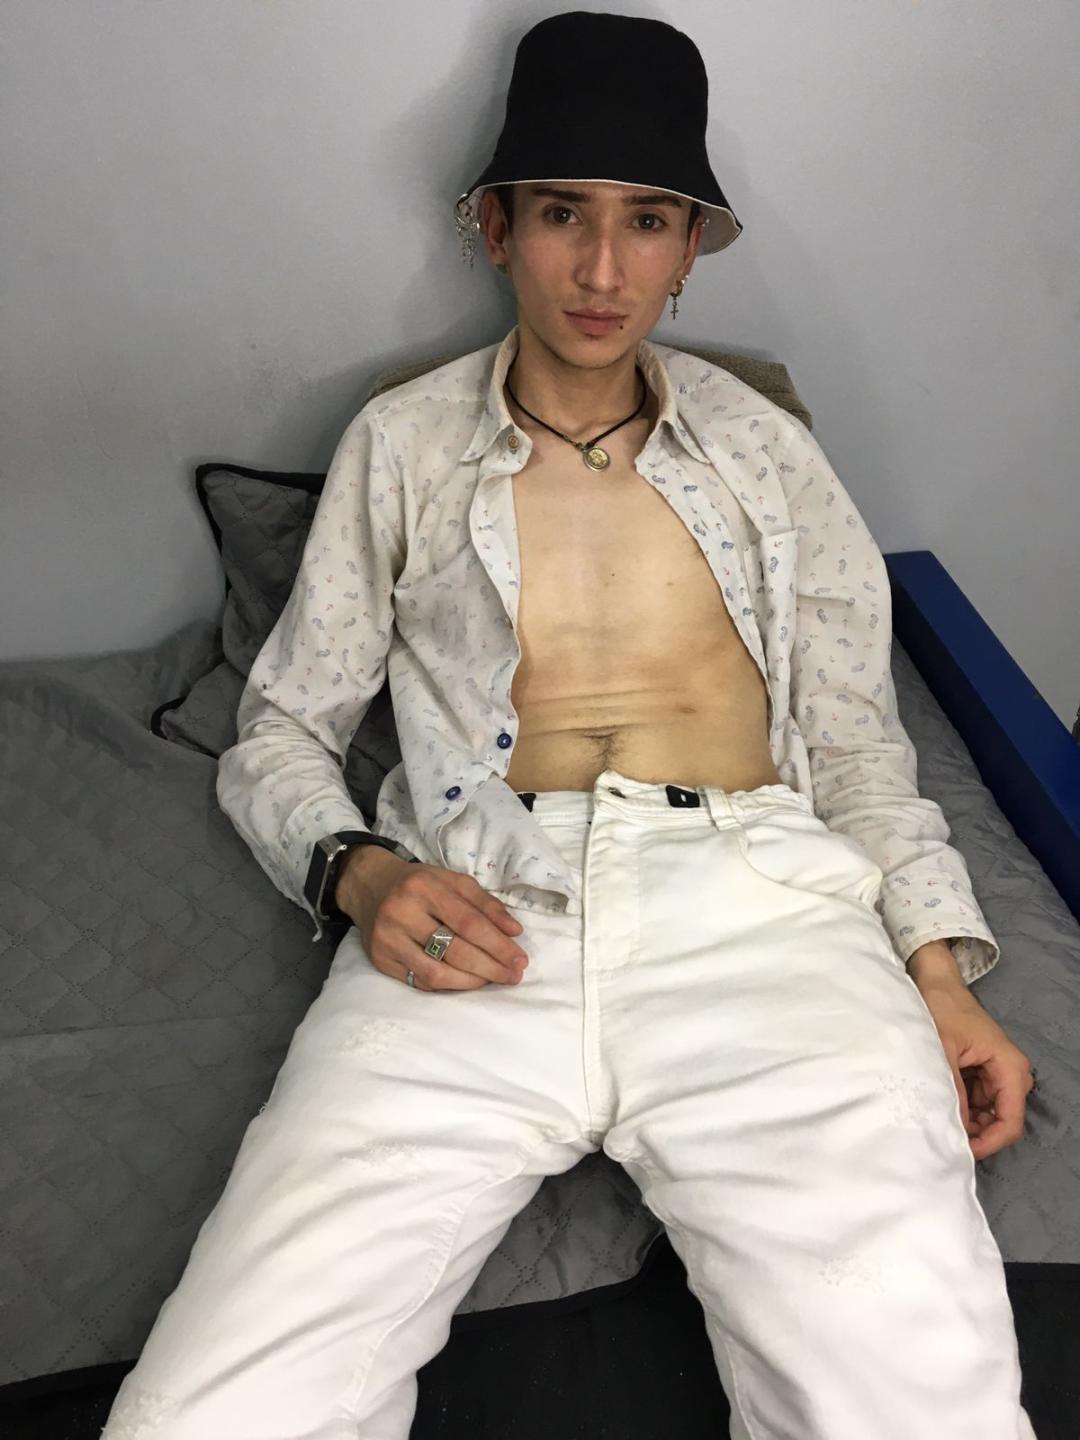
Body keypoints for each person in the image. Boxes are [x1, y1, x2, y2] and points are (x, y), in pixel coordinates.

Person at [102, 11, 1039, 1438]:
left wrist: (942, 974)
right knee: (212, 1409)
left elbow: (858, 742)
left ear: (688, 249)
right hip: (477, 911)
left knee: (918, 1407)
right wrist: (361, 873)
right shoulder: (404, 442)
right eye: (562, 215)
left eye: (646, 221)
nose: (603, 270)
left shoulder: (768, 451)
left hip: (762, 917)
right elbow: (281, 723)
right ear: (495, 229)